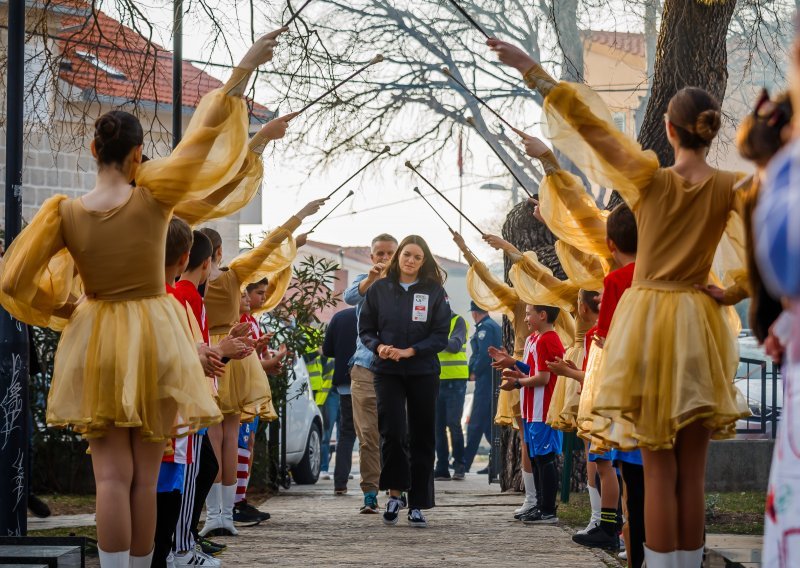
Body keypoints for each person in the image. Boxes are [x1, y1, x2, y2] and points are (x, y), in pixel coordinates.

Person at [0, 29, 295, 566]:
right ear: (139, 154)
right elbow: (203, 138)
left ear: (94, 149)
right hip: (156, 338)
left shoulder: (63, 212)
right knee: (145, 475)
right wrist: (243, 70)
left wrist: (69, 311)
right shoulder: (155, 194)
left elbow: (15, 283)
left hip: (95, 336)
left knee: (109, 476)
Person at [489, 39, 751, 566]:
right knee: (691, 473)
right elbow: (761, 253)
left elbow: (595, 132)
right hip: (701, 322)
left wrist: (534, 73)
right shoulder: (732, 186)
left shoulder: (648, 179)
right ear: (714, 130)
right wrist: (731, 291)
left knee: (656, 468)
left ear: (671, 131)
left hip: (649, 322)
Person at [199, 198, 323, 538]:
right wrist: (298, 219)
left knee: (213, 438)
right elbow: (268, 248)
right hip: (236, 354)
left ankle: (214, 514)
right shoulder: (231, 275)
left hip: (207, 349)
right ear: (220, 252)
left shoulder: (190, 280)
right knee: (229, 439)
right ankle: (225, 512)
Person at [359, 235, 451, 528]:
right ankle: (395, 495)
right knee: (394, 432)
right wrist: (379, 347)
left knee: (422, 436)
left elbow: (440, 335)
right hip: (387, 371)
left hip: (423, 370)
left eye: (417, 257)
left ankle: (419, 503)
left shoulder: (434, 291)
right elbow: (366, 329)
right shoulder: (379, 289)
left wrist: (412, 351)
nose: (410, 261)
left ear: (424, 262)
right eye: (407, 255)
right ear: (398, 256)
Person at [343, 233, 398, 513]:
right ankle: (369, 492)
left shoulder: (407, 283)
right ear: (372, 255)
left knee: (398, 433)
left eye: (390, 254)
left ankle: (397, 490)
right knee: (367, 435)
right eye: (380, 254)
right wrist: (371, 278)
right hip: (365, 367)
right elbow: (350, 296)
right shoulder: (363, 281)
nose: (385, 259)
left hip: (398, 370)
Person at [500, 304, 565, 525]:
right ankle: (539, 504)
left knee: (546, 459)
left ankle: (548, 510)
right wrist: (514, 366)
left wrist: (517, 382)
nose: (526, 319)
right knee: (536, 458)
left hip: (543, 409)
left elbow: (544, 378)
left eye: (529, 314)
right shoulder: (533, 339)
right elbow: (532, 370)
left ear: (543, 315)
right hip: (531, 409)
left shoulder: (549, 339)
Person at [322, 307, 359, 495]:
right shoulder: (380, 313)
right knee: (378, 433)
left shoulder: (340, 317)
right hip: (374, 380)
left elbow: (327, 350)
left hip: (345, 381)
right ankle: (383, 483)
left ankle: (340, 484)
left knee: (346, 432)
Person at [464, 302, 502, 474]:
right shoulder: (493, 325)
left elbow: (484, 354)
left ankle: (464, 463)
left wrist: (474, 372)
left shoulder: (485, 327)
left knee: (477, 422)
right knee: (488, 424)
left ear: (474, 313)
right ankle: (496, 463)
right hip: (492, 379)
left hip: (486, 379)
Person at [434, 310, 469, 481]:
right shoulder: (432, 322)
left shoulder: (458, 321)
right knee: (437, 426)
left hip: (456, 381)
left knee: (453, 424)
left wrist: (432, 339)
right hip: (435, 380)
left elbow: (455, 346)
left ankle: (459, 465)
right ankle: (441, 467)